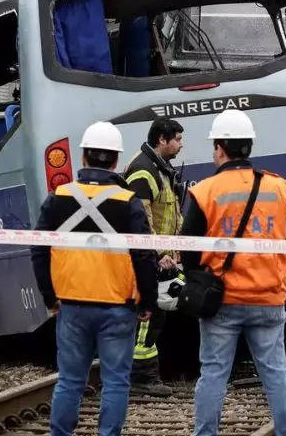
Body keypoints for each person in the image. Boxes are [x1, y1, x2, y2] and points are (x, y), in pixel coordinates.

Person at [179, 109, 286, 436]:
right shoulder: (280, 188)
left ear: (220, 148)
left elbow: (188, 246)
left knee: (214, 374)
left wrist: (199, 277)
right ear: (249, 146)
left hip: (221, 299)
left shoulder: (204, 191)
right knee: (276, 373)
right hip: (268, 296)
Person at [30, 121, 159, 436]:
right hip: (118, 307)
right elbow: (143, 255)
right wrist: (149, 299)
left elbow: (39, 250)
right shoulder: (127, 201)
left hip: (72, 306)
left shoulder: (58, 197)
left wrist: (49, 297)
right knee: (116, 381)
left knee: (71, 380)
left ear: (84, 156)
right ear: (115, 161)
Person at [124, 117, 185, 397]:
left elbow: (172, 214)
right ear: (162, 139)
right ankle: (141, 378)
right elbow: (142, 217)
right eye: (177, 139)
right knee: (147, 319)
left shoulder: (161, 169)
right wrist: (158, 253)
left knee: (156, 317)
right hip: (149, 258)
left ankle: (145, 376)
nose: (181, 144)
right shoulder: (143, 170)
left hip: (161, 256)